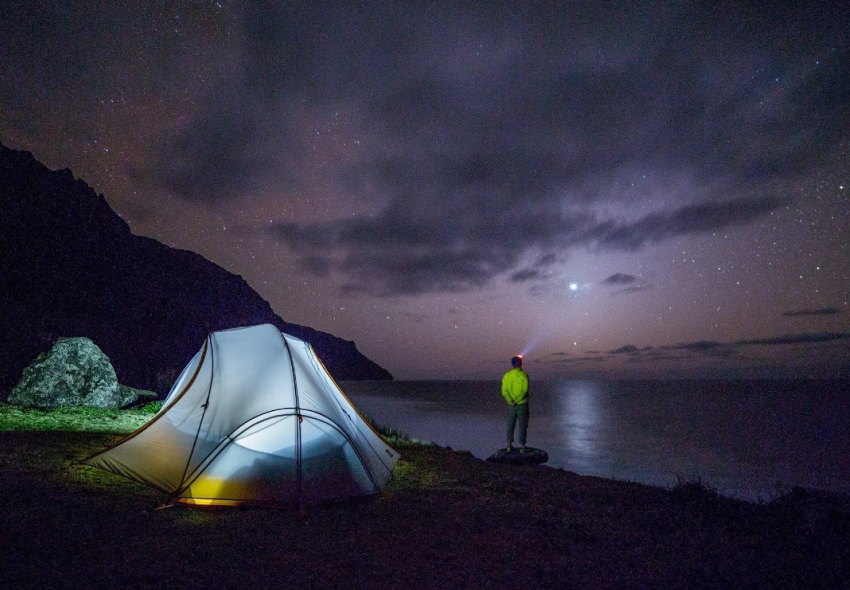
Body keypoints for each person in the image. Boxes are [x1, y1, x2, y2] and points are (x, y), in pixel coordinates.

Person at [501, 355, 529, 453]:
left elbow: (504, 391)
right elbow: (524, 390)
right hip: (522, 404)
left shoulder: (506, 375)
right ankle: (522, 446)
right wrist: (517, 401)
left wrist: (511, 400)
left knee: (510, 424)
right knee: (522, 424)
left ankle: (509, 445)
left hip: (511, 405)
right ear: (520, 364)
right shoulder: (524, 375)